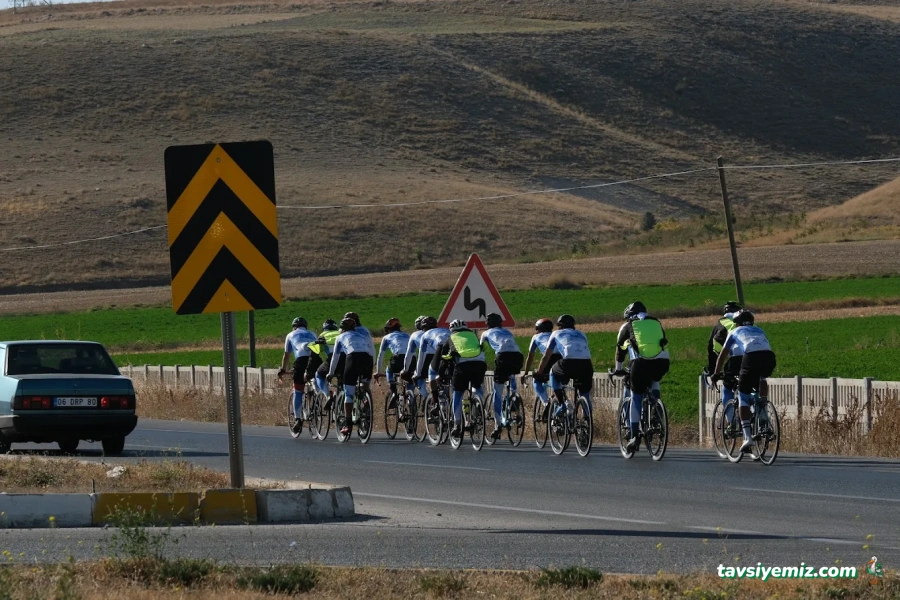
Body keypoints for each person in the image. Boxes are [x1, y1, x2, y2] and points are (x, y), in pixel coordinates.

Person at [712, 309, 777, 454]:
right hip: (769, 357)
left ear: (738, 323)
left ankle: (747, 437)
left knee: (743, 395)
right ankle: (763, 407)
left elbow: (722, 356)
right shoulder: (760, 330)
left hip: (750, 357)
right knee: (762, 378)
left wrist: (716, 374)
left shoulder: (735, 332)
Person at [615, 301, 670, 452]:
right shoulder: (656, 322)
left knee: (636, 396)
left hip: (640, 363)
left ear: (629, 316)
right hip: (662, 362)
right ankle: (656, 411)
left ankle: (634, 435)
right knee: (654, 380)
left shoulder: (627, 326)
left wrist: (618, 369)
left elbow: (620, 349)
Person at [437, 319, 487, 437]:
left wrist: (441, 374)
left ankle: (457, 424)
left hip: (463, 366)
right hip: (480, 364)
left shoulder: (451, 338)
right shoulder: (474, 335)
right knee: (477, 385)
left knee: (458, 393)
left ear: (451, 329)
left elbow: (445, 358)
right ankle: (479, 401)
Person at [327, 317, 376, 437]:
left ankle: (348, 424)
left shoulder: (340, 337)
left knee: (348, 394)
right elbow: (371, 349)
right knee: (364, 386)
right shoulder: (362, 335)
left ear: (342, 329)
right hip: (367, 360)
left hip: (353, 358)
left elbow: (335, 357)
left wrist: (330, 373)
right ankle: (364, 405)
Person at [536, 314, 593, 414]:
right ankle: (587, 420)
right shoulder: (581, 334)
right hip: (587, 364)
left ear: (559, 326)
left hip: (568, 362)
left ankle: (562, 404)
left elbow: (546, 356)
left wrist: (539, 371)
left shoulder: (556, 333)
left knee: (553, 372)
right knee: (585, 394)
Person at [480, 312, 524, 439]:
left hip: (502, 356)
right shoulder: (508, 332)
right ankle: (514, 397)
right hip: (517, 356)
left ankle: (497, 424)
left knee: (497, 391)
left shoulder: (485, 333)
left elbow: (480, 350)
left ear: (487, 324)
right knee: (511, 375)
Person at [279, 317, 318, 433]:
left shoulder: (291, 335)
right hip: (315, 359)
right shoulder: (312, 333)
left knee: (298, 390)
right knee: (315, 380)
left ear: (294, 326)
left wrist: (283, 369)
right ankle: (318, 395)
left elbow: (287, 355)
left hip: (301, 360)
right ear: (305, 326)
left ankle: (298, 419)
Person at [707, 302, 742, 426]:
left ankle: (732, 422)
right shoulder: (751, 324)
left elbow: (712, 349)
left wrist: (713, 372)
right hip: (759, 356)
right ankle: (762, 414)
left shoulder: (722, 323)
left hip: (735, 359)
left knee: (727, 391)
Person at [521, 318, 559, 422]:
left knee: (536, 380)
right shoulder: (555, 334)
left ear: (538, 329)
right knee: (558, 383)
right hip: (562, 359)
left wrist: (525, 373)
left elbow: (530, 357)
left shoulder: (536, 337)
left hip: (549, 359)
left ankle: (546, 403)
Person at [374, 318, 411, 409]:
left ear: (388, 329)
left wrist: (378, 372)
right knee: (409, 377)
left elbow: (381, 356)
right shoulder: (407, 335)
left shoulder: (386, 337)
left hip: (398, 358)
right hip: (411, 358)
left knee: (389, 370)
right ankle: (411, 396)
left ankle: (393, 390)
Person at [415, 316, 451, 403]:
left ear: (423, 328)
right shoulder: (446, 330)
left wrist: (418, 373)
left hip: (441, 348)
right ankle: (447, 397)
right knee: (449, 372)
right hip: (454, 349)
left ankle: (435, 400)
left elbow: (421, 356)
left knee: (431, 371)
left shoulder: (424, 335)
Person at [308, 319, 341, 402]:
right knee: (343, 381)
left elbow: (316, 353)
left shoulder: (323, 335)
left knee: (318, 375)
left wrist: (309, 370)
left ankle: (327, 395)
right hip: (346, 358)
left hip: (332, 358)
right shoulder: (340, 334)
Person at [400, 316, 429, 400]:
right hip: (438, 356)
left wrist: (405, 369)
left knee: (419, 377)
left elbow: (409, 354)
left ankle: (426, 398)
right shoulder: (434, 332)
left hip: (425, 357)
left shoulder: (415, 335)